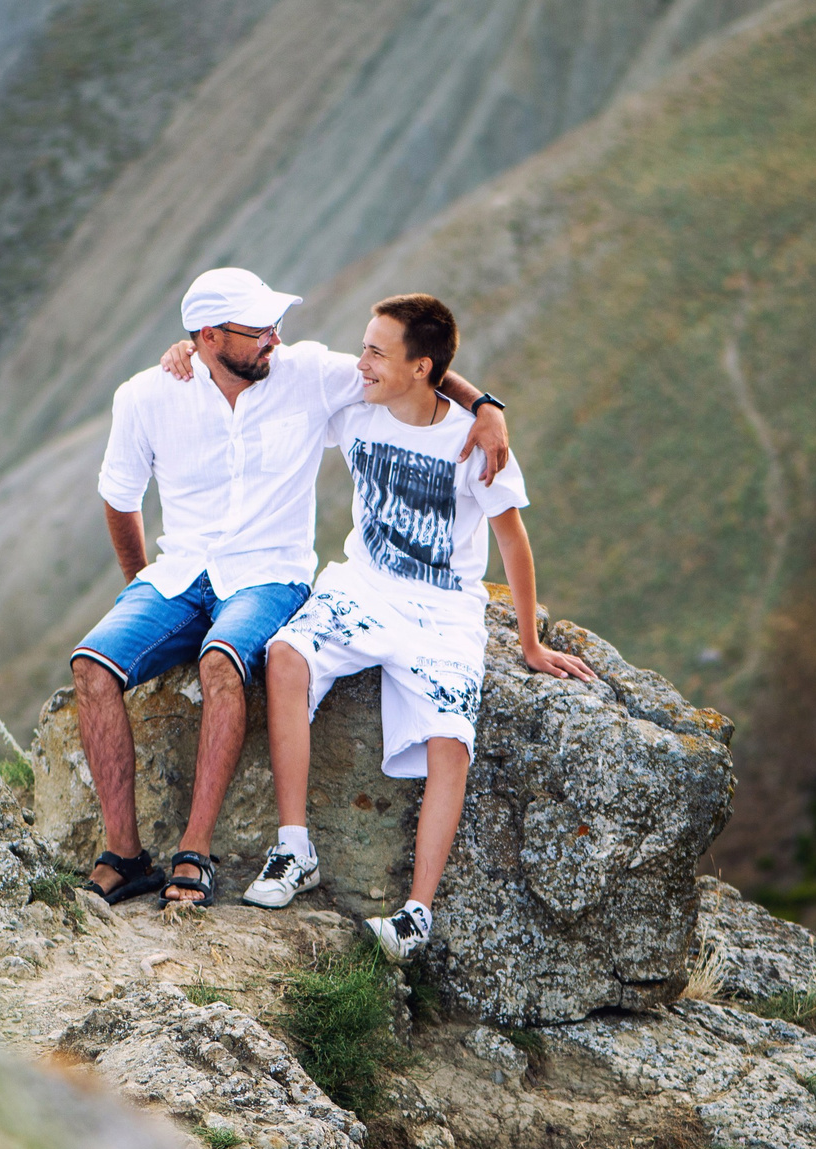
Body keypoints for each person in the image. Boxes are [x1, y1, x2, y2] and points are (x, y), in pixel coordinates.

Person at [72, 269, 512, 907]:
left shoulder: (305, 372)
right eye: (259, 330)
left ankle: (194, 853)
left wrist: (487, 406)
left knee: (221, 661)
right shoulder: (146, 395)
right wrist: (140, 584)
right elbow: (119, 498)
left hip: (269, 574)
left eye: (276, 325)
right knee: (91, 665)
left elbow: (409, 371)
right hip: (178, 572)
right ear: (208, 337)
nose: (275, 338)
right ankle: (124, 855)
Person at [237, 293, 595, 961]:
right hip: (364, 585)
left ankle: (414, 915)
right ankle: (293, 849)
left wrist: (528, 641)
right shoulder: (355, 404)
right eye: (364, 347)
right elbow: (256, 368)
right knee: (286, 655)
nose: (362, 362)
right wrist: (189, 348)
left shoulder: (472, 440)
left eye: (377, 352)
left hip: (443, 607)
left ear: (421, 366)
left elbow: (513, 541)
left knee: (450, 740)